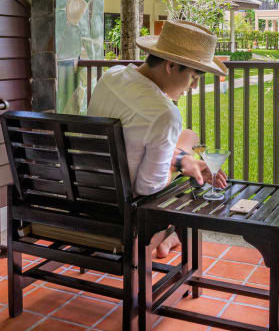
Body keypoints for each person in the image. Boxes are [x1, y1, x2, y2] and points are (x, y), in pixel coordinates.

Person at [88, 19, 229, 257]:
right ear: (171, 65)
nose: (193, 87)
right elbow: (147, 186)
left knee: (188, 137)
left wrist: (182, 160)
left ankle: (171, 235)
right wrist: (183, 165)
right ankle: (170, 235)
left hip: (89, 190)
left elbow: (133, 142)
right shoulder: (164, 113)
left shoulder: (111, 75)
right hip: (124, 208)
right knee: (191, 159)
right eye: (193, 77)